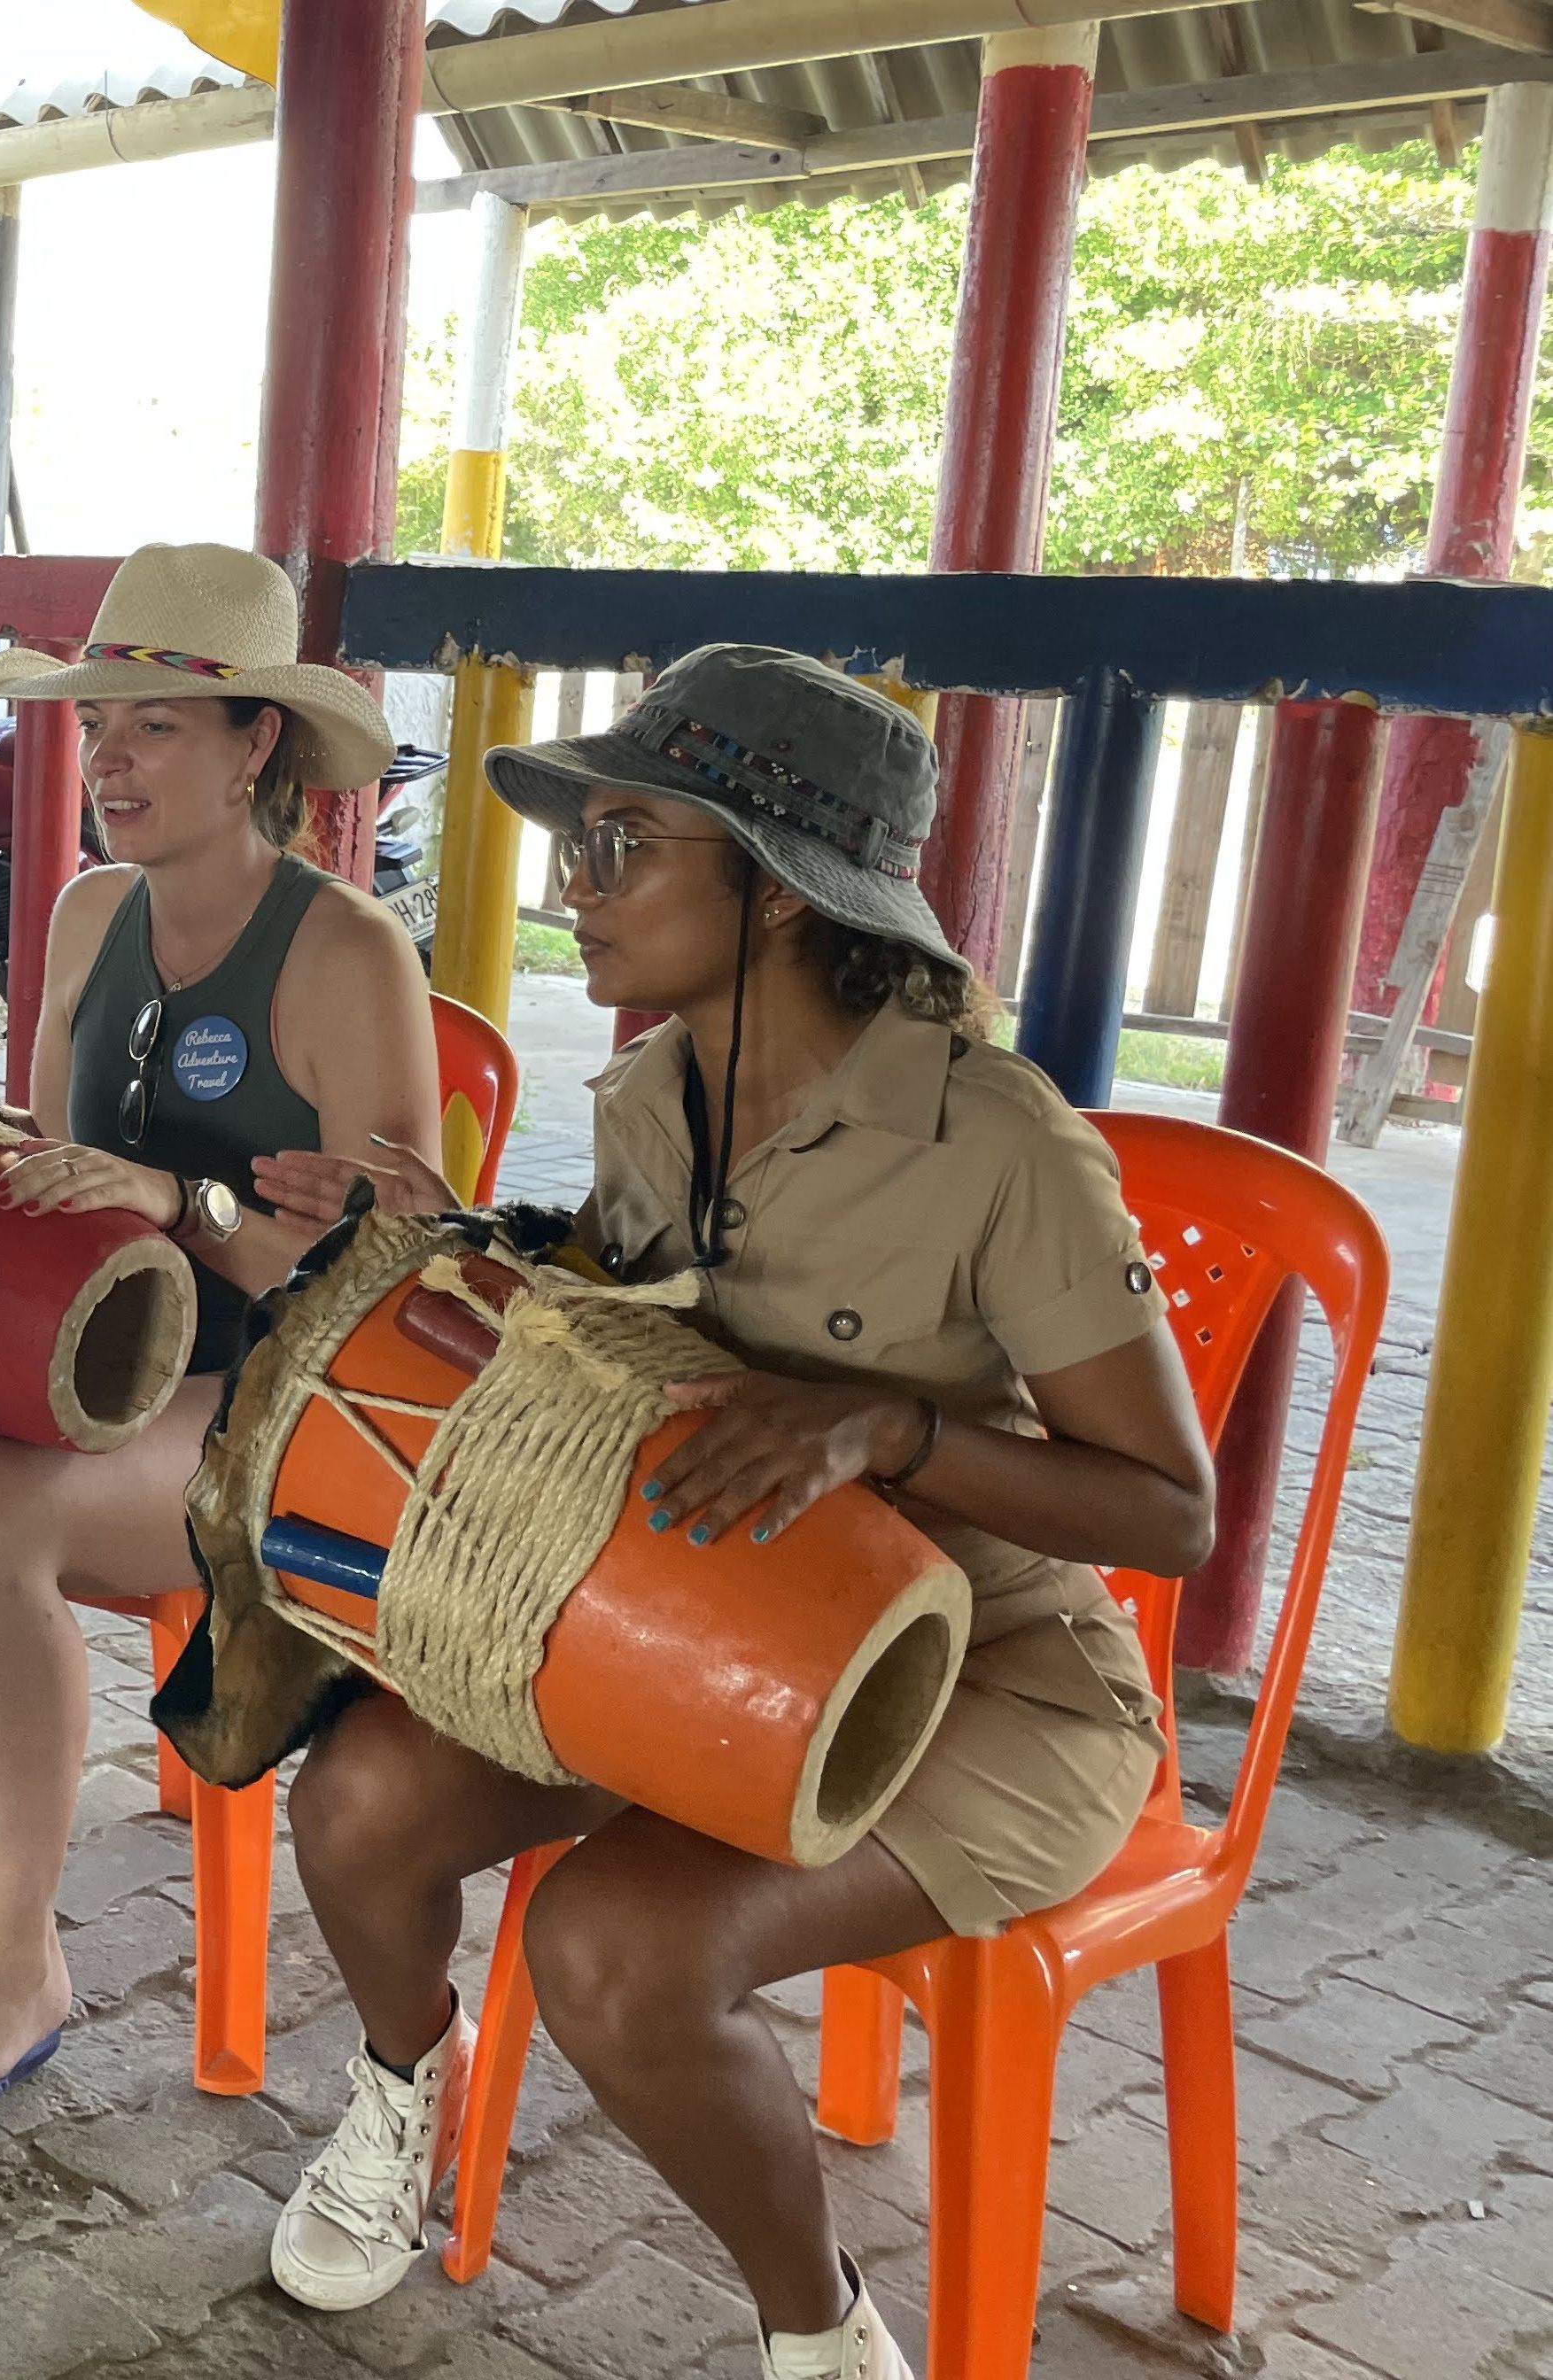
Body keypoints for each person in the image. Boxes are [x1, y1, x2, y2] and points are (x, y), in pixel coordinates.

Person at [242, 647, 1214, 2380]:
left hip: (989, 1677)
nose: (574, 888)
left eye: (625, 844)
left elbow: (1166, 1514)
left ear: (771, 894)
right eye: (580, 844)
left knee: (612, 1940)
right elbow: (635, 1376)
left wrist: (887, 1430)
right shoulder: (647, 1098)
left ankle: (819, 2337)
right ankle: (404, 2090)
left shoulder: (994, 1140)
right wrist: (452, 1239)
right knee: (362, 1797)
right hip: (705, 1612)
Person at [0, 543, 439, 2149]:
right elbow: (35, 1190)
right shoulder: (89, 912)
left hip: (289, 1396)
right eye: (99, 720)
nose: (106, 756)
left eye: (155, 728)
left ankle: (17, 1960)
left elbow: (385, 1278)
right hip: (104, 1364)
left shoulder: (344, 954)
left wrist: (183, 1199)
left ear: (261, 742)